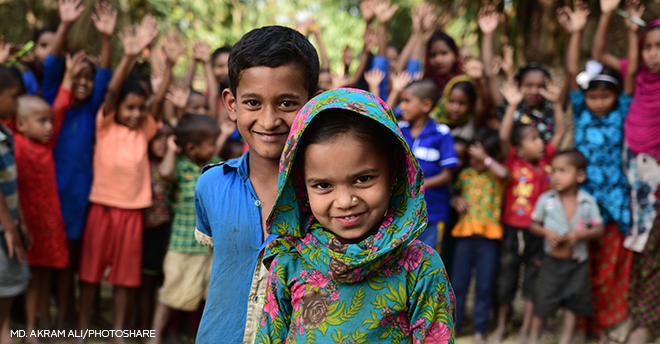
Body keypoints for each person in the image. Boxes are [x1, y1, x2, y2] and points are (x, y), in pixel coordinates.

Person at [255, 88, 454, 342]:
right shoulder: (288, 262)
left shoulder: (420, 267)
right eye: (323, 185)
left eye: (363, 179)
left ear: (394, 169)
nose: (345, 201)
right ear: (300, 184)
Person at [193, 25, 319, 343]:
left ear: (313, 104)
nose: (268, 120)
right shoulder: (210, 185)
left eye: (287, 104)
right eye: (253, 103)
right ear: (232, 104)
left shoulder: (328, 196)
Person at [75, 15, 159, 344]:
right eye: (130, 107)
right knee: (91, 274)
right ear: (117, 107)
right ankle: (81, 328)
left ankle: (120, 334)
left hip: (133, 211)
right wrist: (129, 55)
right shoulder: (105, 122)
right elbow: (110, 91)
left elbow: (153, 100)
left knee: (126, 278)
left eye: (141, 108)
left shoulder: (145, 129)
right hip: (102, 208)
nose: (136, 113)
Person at [562, 0, 638, 340]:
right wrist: (577, 32)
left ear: (616, 96)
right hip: (583, 202)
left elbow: (633, 72)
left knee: (610, 269)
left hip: (616, 202)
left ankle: (606, 324)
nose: (598, 100)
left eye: (606, 95)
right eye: (593, 95)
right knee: (581, 265)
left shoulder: (622, 111)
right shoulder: (580, 111)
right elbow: (570, 71)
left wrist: (613, 17)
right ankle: (579, 324)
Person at [40, 0, 116, 330]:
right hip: (49, 193)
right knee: (49, 262)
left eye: (88, 77)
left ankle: (74, 315)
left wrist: (106, 40)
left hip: (80, 195)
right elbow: (53, 64)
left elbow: (104, 79)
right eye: (77, 76)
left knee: (74, 258)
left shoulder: (91, 109)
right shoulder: (52, 103)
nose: (84, 82)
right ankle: (50, 317)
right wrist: (65, 25)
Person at [592, 0, 660, 342]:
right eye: (648, 47)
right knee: (639, 252)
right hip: (633, 183)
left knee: (653, 254)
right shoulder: (636, 80)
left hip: (657, 186)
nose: (654, 55)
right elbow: (599, 51)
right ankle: (636, 318)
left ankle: (647, 324)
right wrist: (606, 13)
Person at [13, 52, 83, 342]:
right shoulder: (13, 144)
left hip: (47, 223)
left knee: (42, 278)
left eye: (48, 122)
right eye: (40, 121)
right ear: (19, 124)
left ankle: (34, 328)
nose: (48, 126)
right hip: (24, 223)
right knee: (25, 279)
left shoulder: (46, 145)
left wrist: (69, 75)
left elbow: (60, 107)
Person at [490, 76, 565, 344]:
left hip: (538, 231)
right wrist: (511, 106)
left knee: (534, 278)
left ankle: (527, 331)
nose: (540, 142)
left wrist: (556, 104)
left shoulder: (547, 161)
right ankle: (501, 325)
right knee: (506, 277)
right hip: (512, 229)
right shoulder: (511, 160)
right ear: (519, 150)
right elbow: (503, 136)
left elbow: (558, 132)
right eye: (534, 139)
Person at [147, 114, 230, 343]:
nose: (216, 148)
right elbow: (164, 173)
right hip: (181, 245)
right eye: (211, 144)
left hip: (206, 248)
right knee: (169, 293)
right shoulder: (180, 166)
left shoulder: (209, 164)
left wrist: (221, 134)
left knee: (203, 296)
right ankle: (154, 337)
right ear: (192, 148)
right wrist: (173, 151)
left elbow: (211, 153)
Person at [527, 150, 604, 344]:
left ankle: (566, 340)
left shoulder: (587, 202)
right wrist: (546, 233)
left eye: (563, 171)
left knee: (573, 303)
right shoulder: (547, 199)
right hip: (551, 262)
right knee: (542, 302)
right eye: (553, 171)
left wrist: (581, 234)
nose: (556, 176)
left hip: (576, 263)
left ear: (580, 175)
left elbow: (599, 228)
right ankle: (533, 338)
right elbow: (533, 224)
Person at [450, 128, 509, 344]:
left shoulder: (497, 175)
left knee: (485, 285)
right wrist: (455, 200)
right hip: (465, 236)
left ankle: (479, 330)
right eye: (472, 156)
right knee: (458, 284)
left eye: (479, 156)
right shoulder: (464, 174)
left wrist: (486, 160)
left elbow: (504, 174)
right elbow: (454, 193)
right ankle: (454, 328)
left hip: (489, 239)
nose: (474, 160)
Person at [398, 79, 458, 251]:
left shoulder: (441, 133)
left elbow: (447, 175)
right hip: (402, 213)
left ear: (426, 105)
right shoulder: (399, 129)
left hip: (433, 213)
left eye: (407, 101)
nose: (401, 106)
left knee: (428, 261)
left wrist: (417, 186)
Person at [0, 65, 30, 344]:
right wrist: (10, 227)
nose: (17, 102)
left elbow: (12, 186)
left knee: (10, 285)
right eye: (13, 95)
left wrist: (18, 221)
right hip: (2, 230)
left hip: (7, 224)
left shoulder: (4, 133)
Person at [139, 122, 174, 333]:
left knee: (160, 281)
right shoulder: (143, 163)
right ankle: (142, 327)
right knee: (145, 280)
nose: (163, 143)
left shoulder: (173, 165)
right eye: (159, 137)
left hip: (167, 230)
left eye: (168, 138)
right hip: (146, 230)